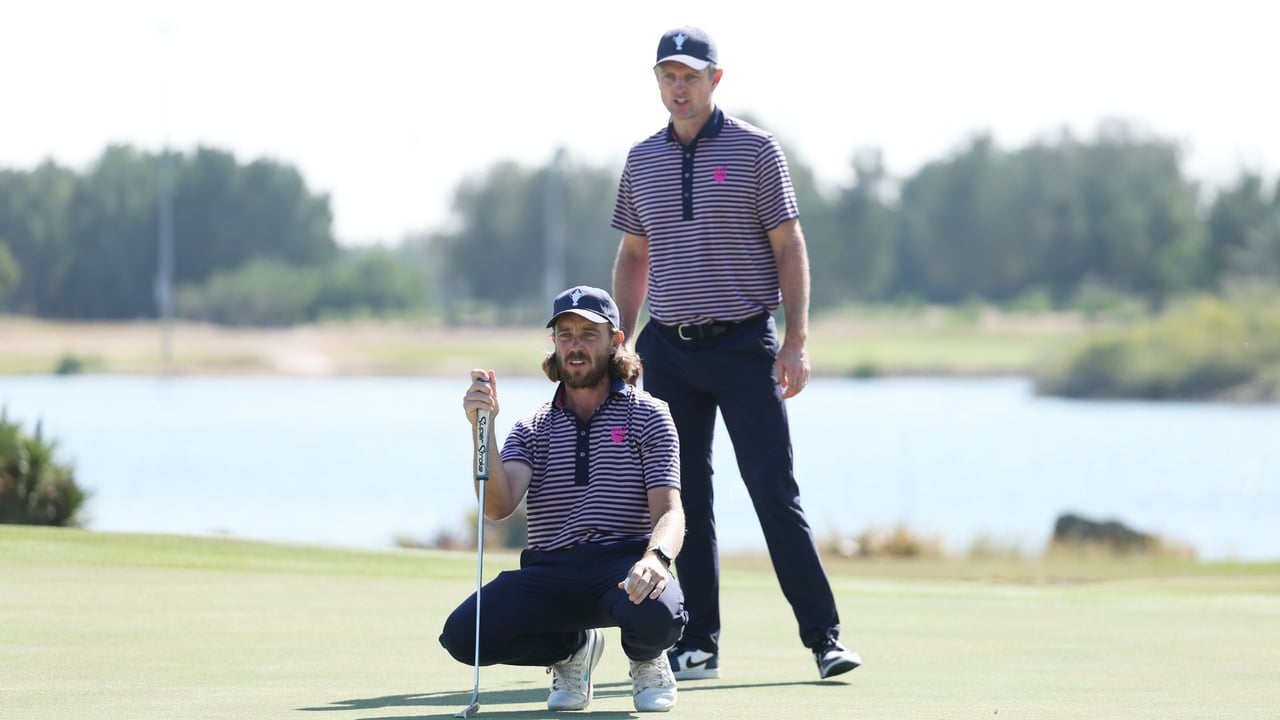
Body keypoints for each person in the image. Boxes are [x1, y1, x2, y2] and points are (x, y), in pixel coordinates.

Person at [610, 26, 862, 680]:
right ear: (657, 81)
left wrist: (796, 339)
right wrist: (620, 340)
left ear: (714, 79)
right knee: (683, 500)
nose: (679, 87)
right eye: (669, 76)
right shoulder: (642, 159)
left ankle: (824, 638)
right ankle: (698, 643)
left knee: (773, 491)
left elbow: (789, 245)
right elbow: (634, 255)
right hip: (668, 350)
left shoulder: (755, 150)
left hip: (744, 344)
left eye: (690, 76)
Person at [439, 285, 687, 713]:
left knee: (660, 612)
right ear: (554, 342)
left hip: (622, 567)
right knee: (464, 636)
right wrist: (484, 427)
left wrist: (657, 557)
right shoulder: (532, 427)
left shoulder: (649, 414)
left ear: (615, 341)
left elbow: (669, 511)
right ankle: (573, 648)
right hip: (550, 571)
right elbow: (498, 506)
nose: (575, 346)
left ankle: (646, 659)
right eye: (566, 334)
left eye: (589, 334)